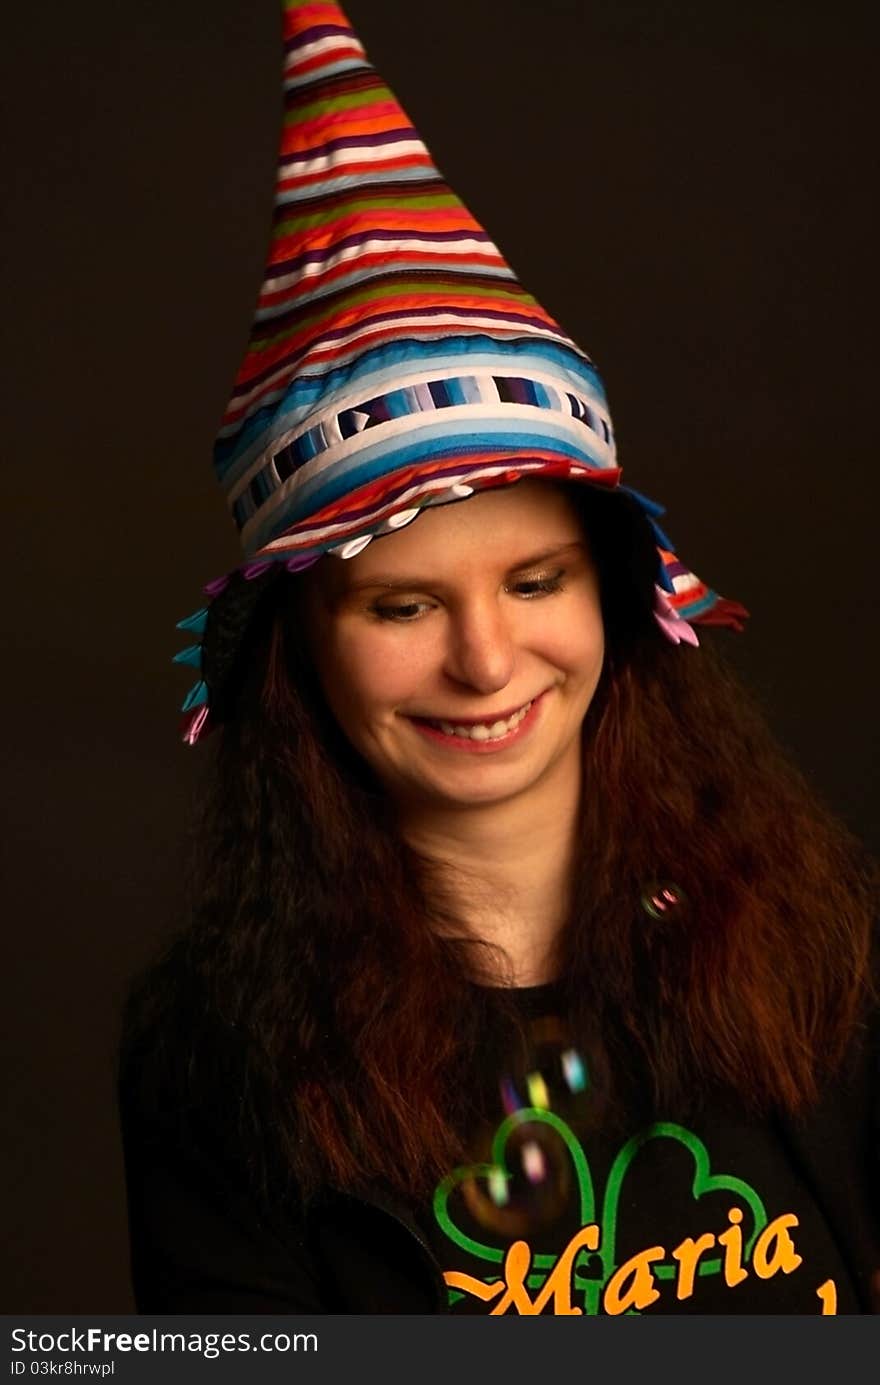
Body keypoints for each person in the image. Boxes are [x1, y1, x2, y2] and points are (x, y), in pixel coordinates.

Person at [117, 0, 879, 1315]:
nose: (488, 660)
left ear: (615, 598)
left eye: (537, 581)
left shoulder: (817, 941)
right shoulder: (213, 1059)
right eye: (404, 606)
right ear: (299, 647)